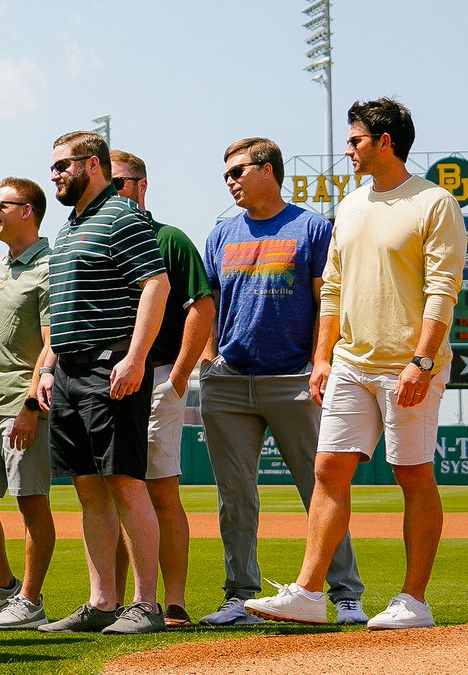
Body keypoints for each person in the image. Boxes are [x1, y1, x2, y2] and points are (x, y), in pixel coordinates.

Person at [246, 98, 465, 630]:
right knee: (328, 470)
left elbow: (443, 288)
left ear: (384, 142)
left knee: (411, 473)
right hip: (350, 362)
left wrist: (421, 358)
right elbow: (334, 290)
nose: (348, 150)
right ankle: (308, 593)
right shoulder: (348, 205)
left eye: (356, 140)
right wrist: (322, 358)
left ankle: (414, 601)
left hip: (410, 366)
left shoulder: (435, 203)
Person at [197, 137, 366, 627]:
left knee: (321, 490)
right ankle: (240, 597)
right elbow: (206, 305)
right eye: (226, 173)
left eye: (237, 171)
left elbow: (326, 304)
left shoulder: (312, 227)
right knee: (234, 497)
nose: (229, 181)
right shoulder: (220, 233)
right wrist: (209, 360)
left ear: (267, 170)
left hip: (294, 379)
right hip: (229, 381)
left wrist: (320, 361)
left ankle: (345, 594)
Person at [37, 131, 169, 636]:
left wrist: (136, 357)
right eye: (51, 168)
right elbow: (62, 309)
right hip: (69, 371)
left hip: (110, 366)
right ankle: (103, 603)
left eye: (62, 166)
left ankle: (146, 605)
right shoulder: (70, 229)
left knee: (125, 482)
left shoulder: (122, 217)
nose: (54, 175)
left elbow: (156, 284)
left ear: (92, 165)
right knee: (88, 487)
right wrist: (48, 368)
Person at [108, 150, 215, 627]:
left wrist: (177, 379)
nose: (111, 193)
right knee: (114, 490)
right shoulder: (94, 238)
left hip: (155, 376)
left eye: (119, 184)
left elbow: (202, 308)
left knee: (161, 491)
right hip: (102, 382)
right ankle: (108, 601)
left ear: (140, 185)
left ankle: (170, 602)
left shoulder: (167, 238)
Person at [0, 177, 56, 630]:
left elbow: (51, 342)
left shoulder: (50, 265)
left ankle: (31, 599)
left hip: (24, 407)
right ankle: (4, 585)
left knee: (31, 503)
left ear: (28, 211)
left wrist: (31, 407)